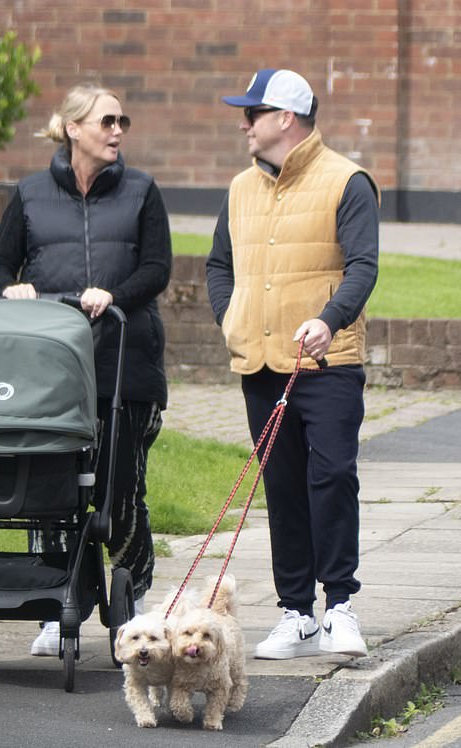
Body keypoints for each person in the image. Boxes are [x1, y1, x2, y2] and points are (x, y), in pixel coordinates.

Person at [0, 84, 172, 656]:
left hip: (125, 369)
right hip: (51, 374)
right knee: (50, 490)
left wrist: (112, 293)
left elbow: (158, 268)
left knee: (120, 491)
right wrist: (9, 289)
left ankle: (130, 601)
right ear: (73, 129)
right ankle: (53, 604)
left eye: (123, 121)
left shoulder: (141, 191)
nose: (119, 131)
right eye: (108, 121)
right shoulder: (32, 194)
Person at [206, 69, 380, 660]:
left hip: (327, 364)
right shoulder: (238, 189)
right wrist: (233, 317)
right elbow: (218, 266)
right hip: (260, 363)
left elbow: (363, 267)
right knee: (281, 487)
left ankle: (341, 608)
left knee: (331, 477)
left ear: (285, 118)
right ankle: (296, 613)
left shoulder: (347, 182)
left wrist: (328, 320)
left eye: (251, 114)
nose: (242, 124)